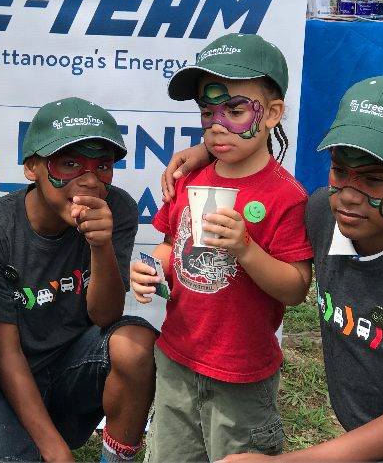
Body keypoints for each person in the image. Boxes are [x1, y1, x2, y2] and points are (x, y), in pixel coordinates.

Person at [170, 74, 383, 462]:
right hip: (368, 431)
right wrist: (208, 151)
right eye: (339, 171)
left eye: (373, 179)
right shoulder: (324, 213)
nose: (350, 195)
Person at [131, 33, 314, 462]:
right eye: (207, 111)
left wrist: (247, 250)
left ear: (271, 114)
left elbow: (296, 288)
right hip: (176, 357)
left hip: (243, 375)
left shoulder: (286, 197)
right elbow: (171, 247)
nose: (217, 125)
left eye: (234, 111)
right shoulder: (190, 179)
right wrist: (152, 268)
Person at [0, 97, 158, 463]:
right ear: (31, 167)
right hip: (3, 384)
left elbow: (106, 315)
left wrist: (99, 246)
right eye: (68, 163)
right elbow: (4, 352)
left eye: (103, 165)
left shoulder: (118, 208)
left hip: (72, 363)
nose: (89, 180)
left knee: (134, 343)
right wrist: (53, 449)